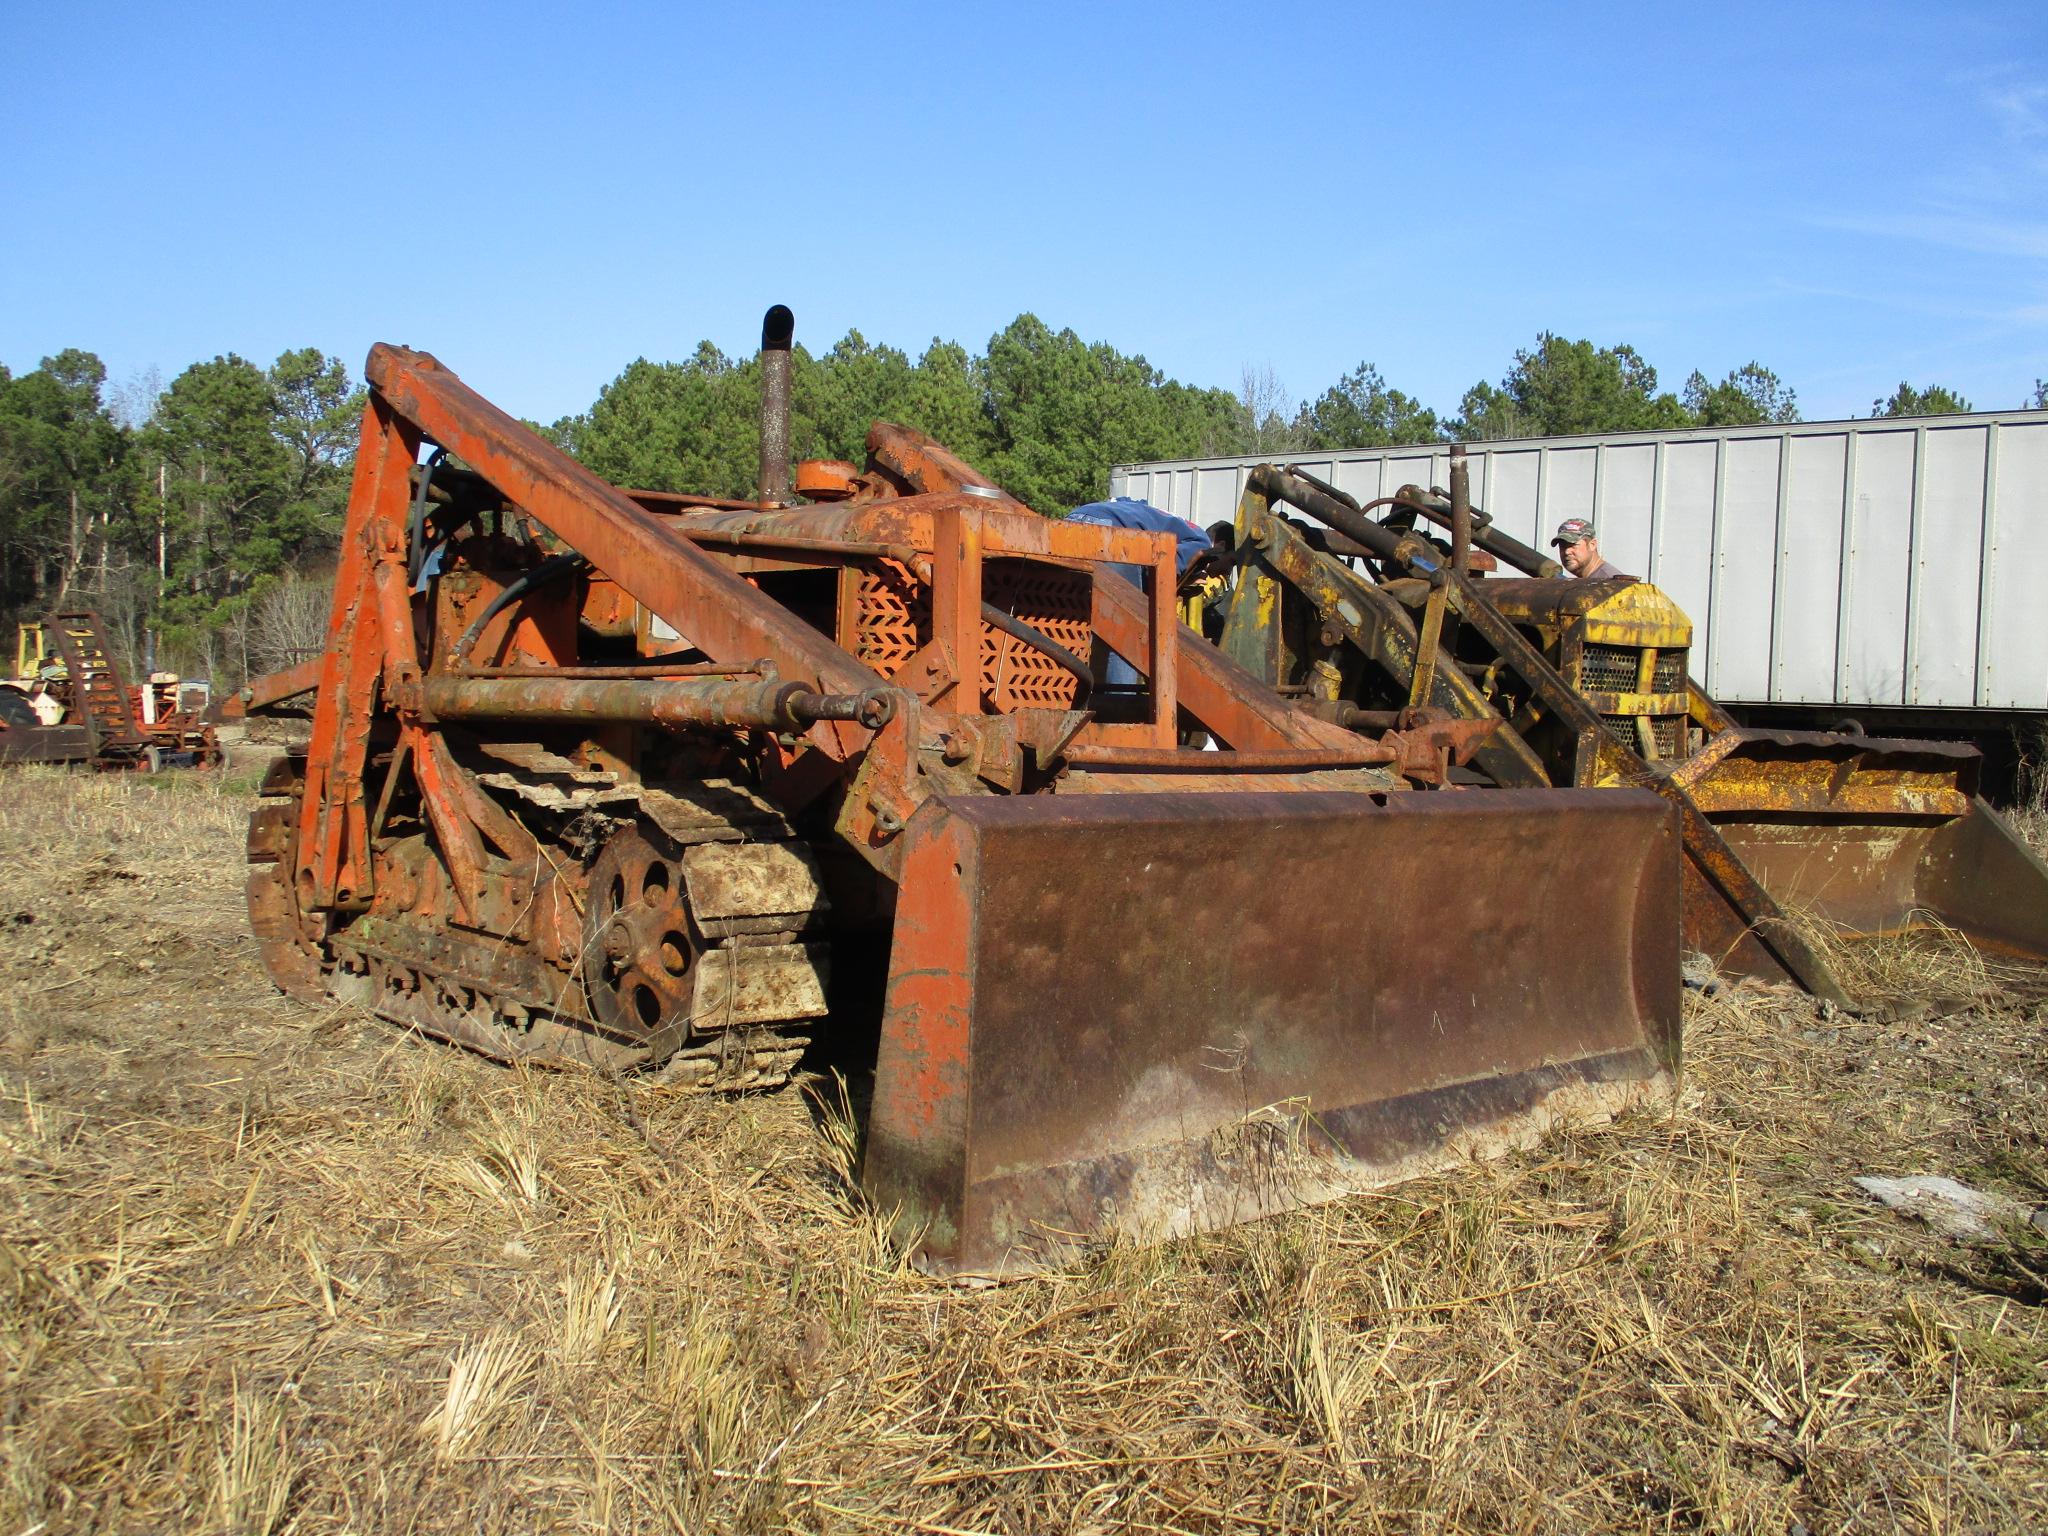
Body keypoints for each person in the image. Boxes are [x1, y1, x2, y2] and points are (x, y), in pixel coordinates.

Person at [1549, 518, 1633, 581]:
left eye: (1573, 545)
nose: (1567, 552)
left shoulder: (1609, 583)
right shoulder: (1589, 581)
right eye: (1562, 546)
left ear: (1592, 545)